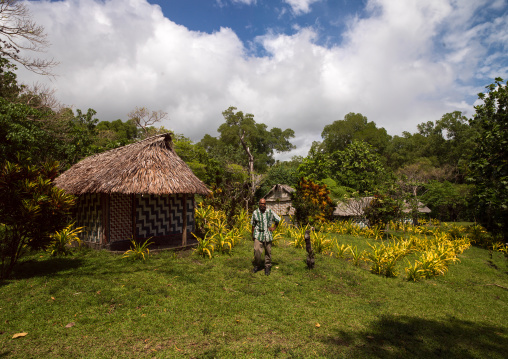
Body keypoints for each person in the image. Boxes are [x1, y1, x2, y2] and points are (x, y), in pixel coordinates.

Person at [251, 198, 280, 275]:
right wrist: (253, 235)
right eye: (261, 203)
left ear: (265, 204)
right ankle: (257, 265)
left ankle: (267, 266)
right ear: (259, 204)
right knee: (257, 250)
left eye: (264, 204)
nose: (262, 205)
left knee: (268, 252)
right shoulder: (255, 213)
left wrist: (273, 228)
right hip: (258, 234)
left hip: (268, 235)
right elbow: (253, 225)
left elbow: (277, 219)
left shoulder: (270, 212)